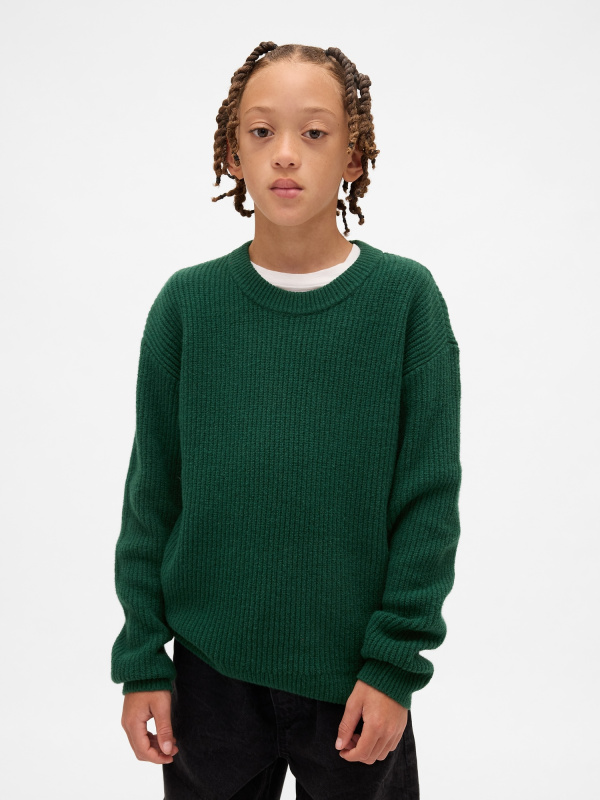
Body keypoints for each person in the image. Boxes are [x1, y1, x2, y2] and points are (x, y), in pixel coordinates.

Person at [111, 41, 462, 800]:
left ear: (353, 156)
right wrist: (142, 658)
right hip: (209, 677)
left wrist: (394, 666)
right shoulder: (187, 306)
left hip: (356, 681)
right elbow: (152, 498)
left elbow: (428, 501)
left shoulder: (406, 301)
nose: (286, 154)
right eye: (262, 131)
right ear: (231, 153)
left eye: (315, 132)